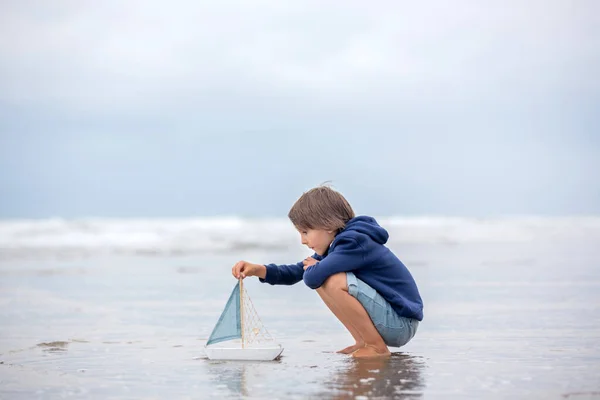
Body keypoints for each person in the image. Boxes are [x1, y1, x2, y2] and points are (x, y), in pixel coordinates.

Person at [231, 185, 423, 358]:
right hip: (393, 322)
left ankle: (375, 347)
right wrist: (257, 270)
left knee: (331, 279)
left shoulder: (354, 243)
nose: (302, 241)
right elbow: (298, 272)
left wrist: (314, 267)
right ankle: (364, 341)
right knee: (323, 272)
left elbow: (312, 277)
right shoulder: (339, 247)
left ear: (328, 225)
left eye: (305, 232)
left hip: (401, 324)